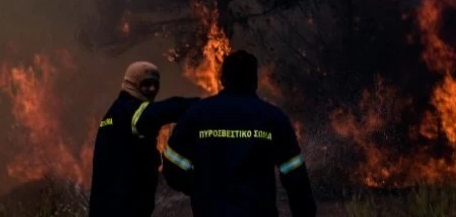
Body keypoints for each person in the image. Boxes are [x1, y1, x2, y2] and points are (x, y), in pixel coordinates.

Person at [162, 51, 317, 217]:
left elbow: (172, 166)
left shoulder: (197, 114)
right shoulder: (273, 118)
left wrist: (199, 189)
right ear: (254, 81)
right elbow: (296, 178)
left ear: (223, 79)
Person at [88, 61, 197, 217]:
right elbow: (166, 110)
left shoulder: (113, 114)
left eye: (155, 84)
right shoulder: (130, 112)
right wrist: (207, 105)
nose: (152, 89)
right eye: (146, 84)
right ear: (132, 83)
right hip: (123, 209)